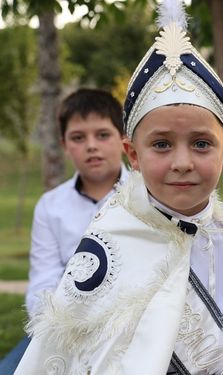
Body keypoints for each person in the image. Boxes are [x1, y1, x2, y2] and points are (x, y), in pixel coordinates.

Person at [15, 1, 223, 374]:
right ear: (132, 154)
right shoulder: (109, 240)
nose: (182, 162)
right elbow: (78, 350)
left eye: (201, 144)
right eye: (162, 144)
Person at [0, 88, 128, 374]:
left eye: (102, 135)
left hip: (128, 328)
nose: (91, 146)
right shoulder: (51, 206)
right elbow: (43, 280)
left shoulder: (146, 197)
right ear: (64, 144)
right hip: (62, 330)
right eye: (78, 138)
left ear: (123, 139)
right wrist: (60, 328)